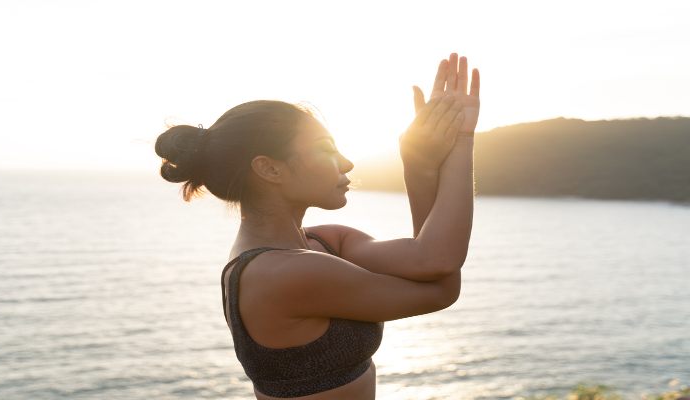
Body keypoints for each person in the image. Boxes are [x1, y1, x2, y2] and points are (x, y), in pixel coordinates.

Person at [155, 52, 480, 399]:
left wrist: (423, 167)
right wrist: (459, 142)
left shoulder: (323, 243)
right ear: (270, 169)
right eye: (326, 149)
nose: (346, 162)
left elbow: (426, 261)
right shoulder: (282, 274)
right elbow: (440, 280)